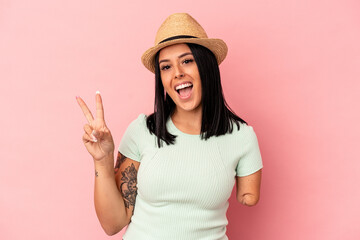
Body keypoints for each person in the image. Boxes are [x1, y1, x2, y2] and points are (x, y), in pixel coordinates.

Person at [76, 13, 263, 240]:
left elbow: (249, 196)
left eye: (187, 60)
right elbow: (113, 224)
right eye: (166, 67)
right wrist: (102, 160)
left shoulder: (241, 137)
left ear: (207, 66)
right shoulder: (142, 131)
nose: (177, 73)